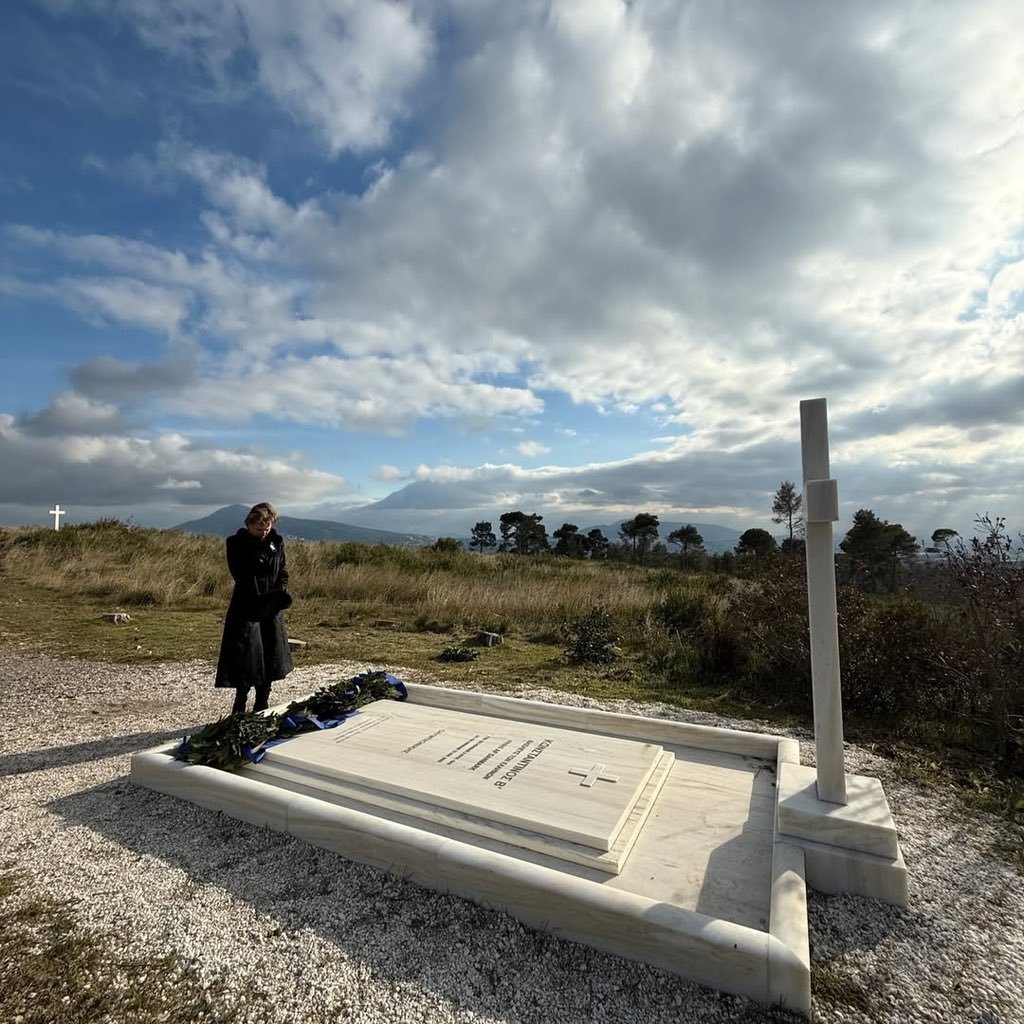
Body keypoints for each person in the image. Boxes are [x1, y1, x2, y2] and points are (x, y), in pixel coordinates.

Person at [214, 501, 294, 714]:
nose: (264, 532)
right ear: (249, 524)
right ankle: (240, 700)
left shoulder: (277, 542)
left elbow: (282, 571)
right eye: (259, 528)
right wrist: (260, 555)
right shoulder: (235, 543)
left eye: (267, 528)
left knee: (270, 652)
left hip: (272, 606)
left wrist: (280, 593)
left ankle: (262, 701)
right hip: (246, 605)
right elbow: (240, 574)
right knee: (246, 654)